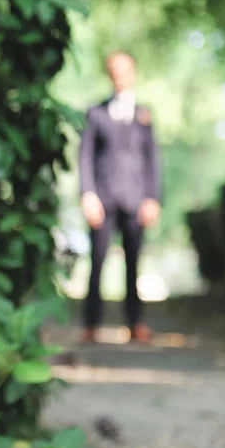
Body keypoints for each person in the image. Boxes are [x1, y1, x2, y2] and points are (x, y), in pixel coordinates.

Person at [78, 51, 162, 344]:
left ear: (133, 73)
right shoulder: (95, 113)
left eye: (124, 70)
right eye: (114, 71)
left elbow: (153, 159)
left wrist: (153, 197)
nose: (120, 76)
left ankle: (135, 322)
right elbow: (85, 157)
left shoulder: (144, 115)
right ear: (108, 74)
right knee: (97, 262)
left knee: (134, 263)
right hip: (102, 199)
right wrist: (87, 194)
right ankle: (90, 323)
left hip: (136, 200)